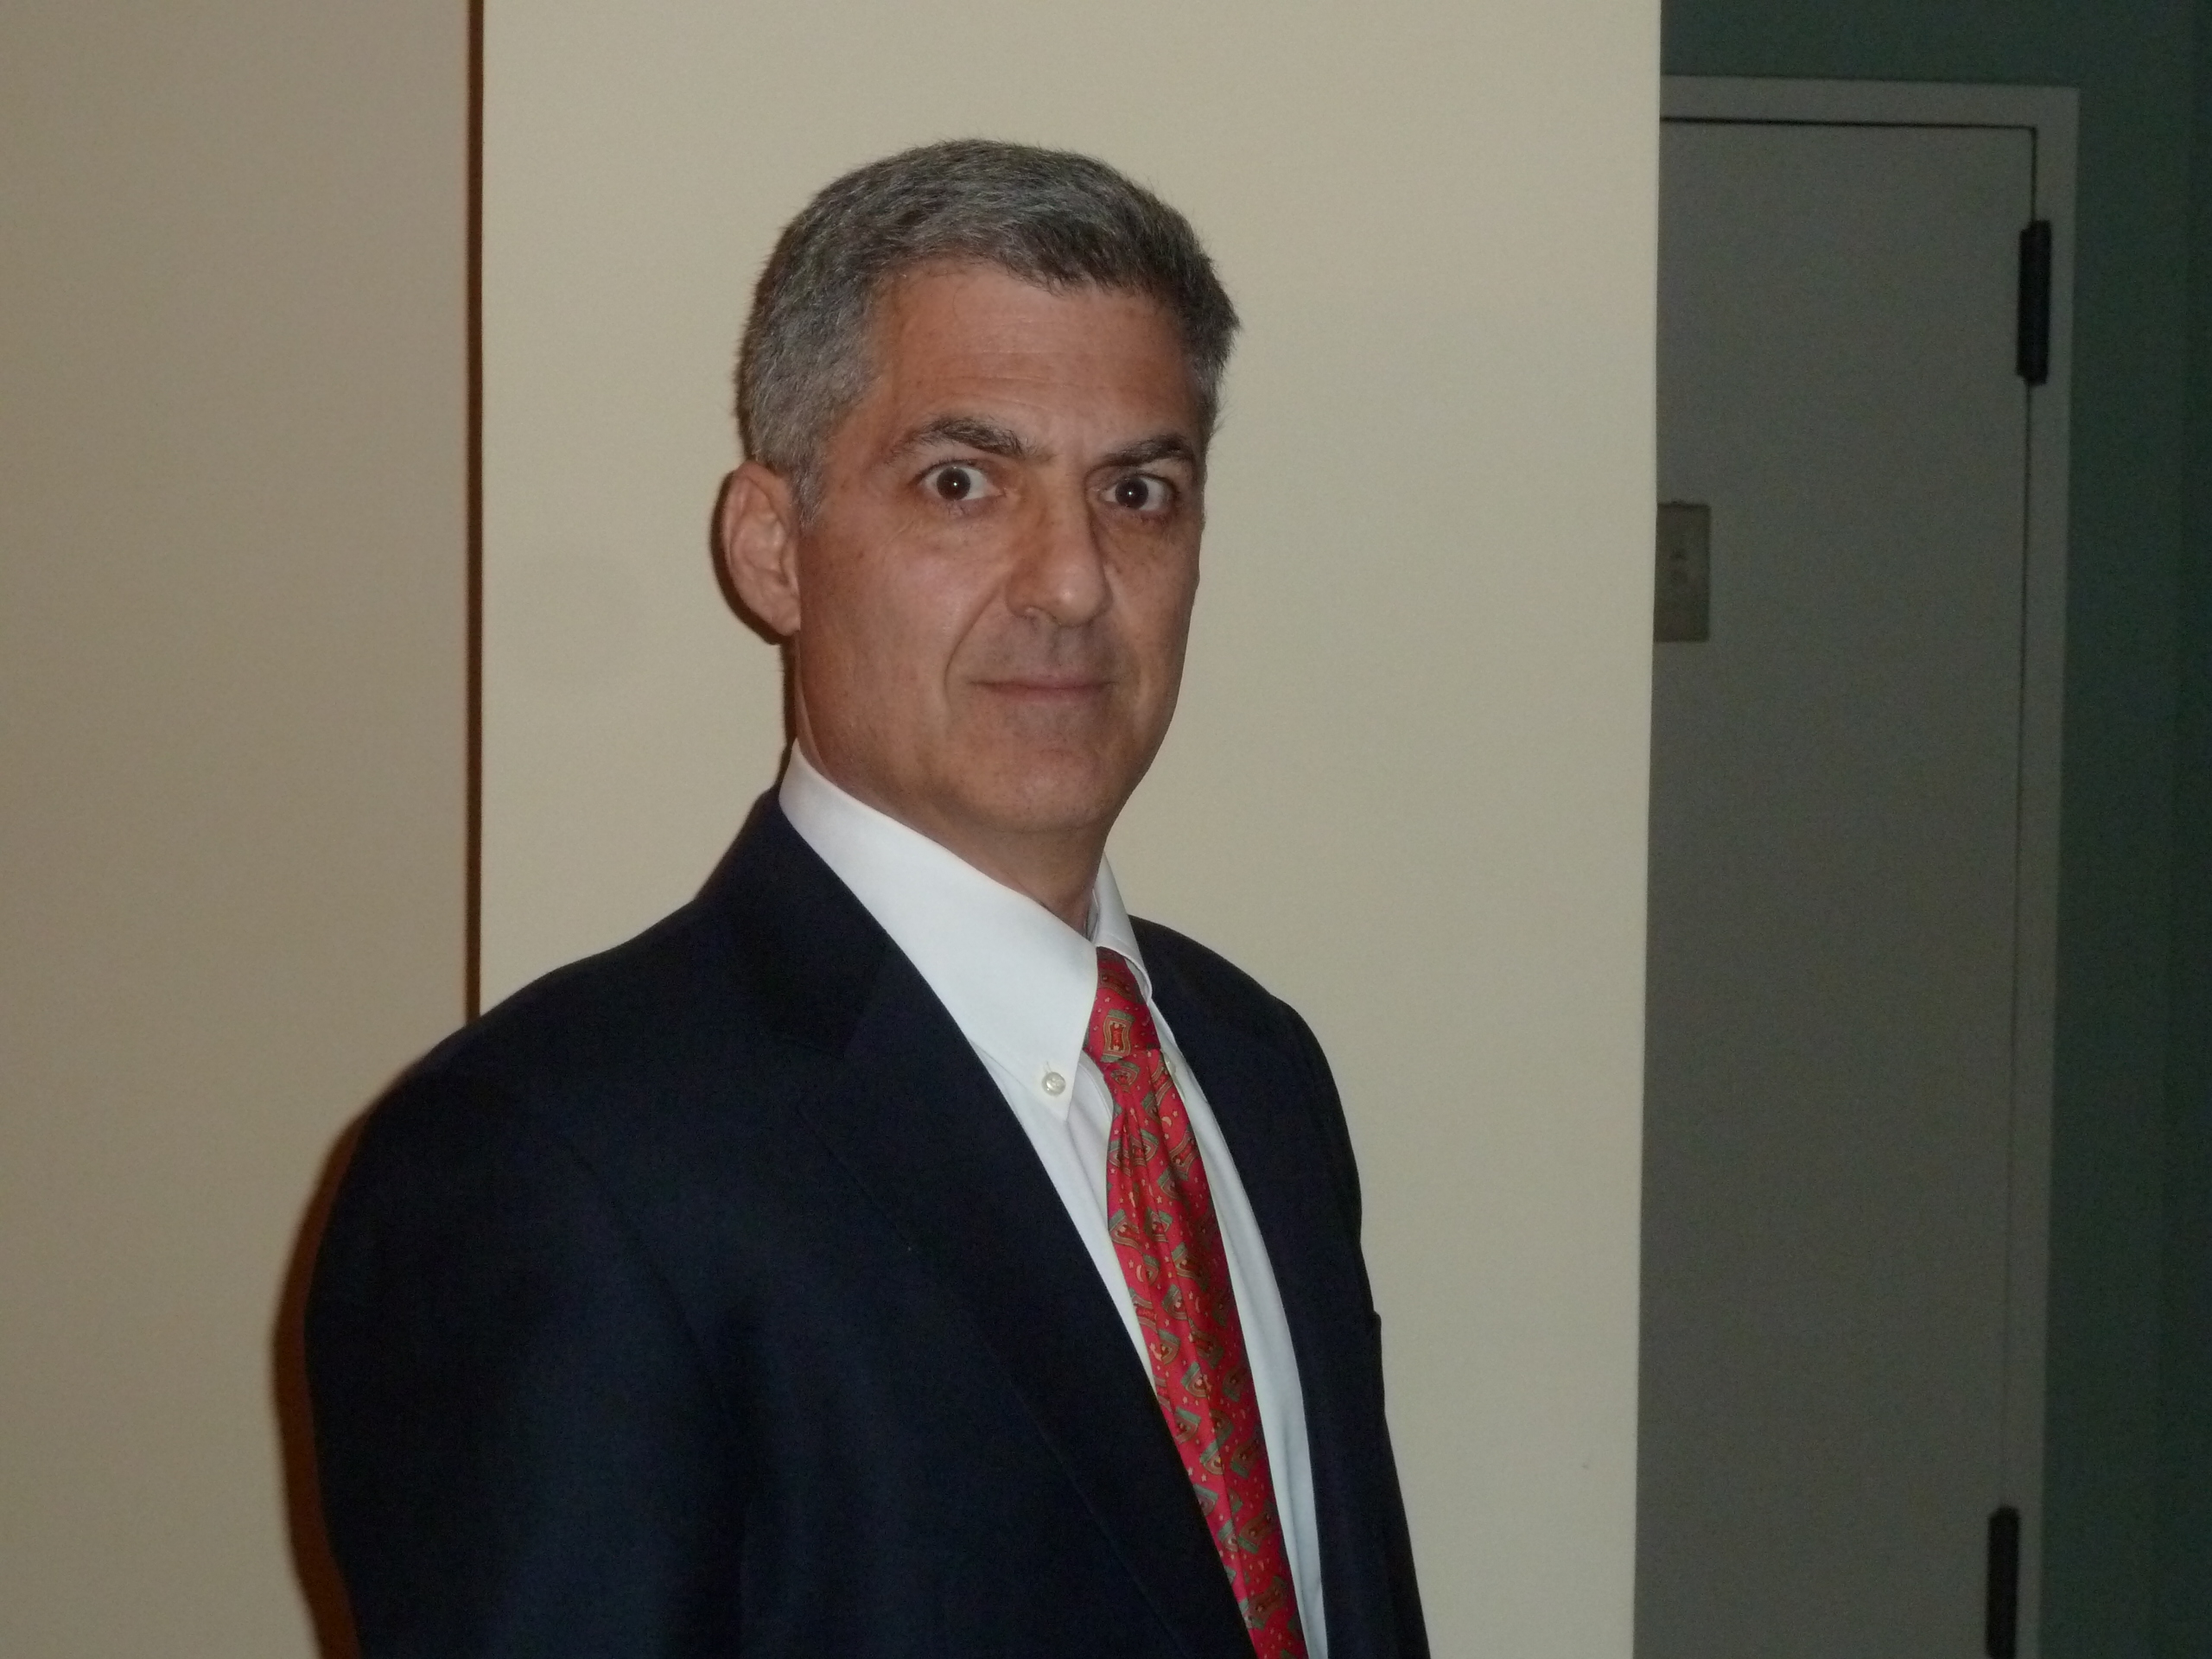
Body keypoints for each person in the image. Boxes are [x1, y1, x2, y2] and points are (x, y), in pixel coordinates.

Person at [308, 138, 1427, 1659]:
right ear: (772, 549)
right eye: (964, 482)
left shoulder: (1257, 1070)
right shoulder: (551, 1161)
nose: (1074, 582)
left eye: (1139, 491)